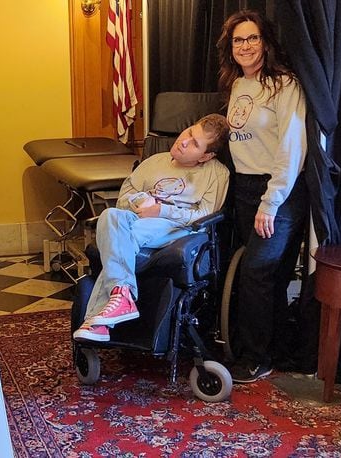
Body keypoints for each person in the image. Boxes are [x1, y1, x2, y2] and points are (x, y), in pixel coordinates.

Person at [73, 114, 231, 342]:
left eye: (195, 143)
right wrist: (140, 201)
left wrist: (160, 211)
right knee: (109, 215)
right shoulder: (154, 162)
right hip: (138, 217)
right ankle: (122, 295)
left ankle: (99, 318)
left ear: (206, 156)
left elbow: (203, 215)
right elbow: (124, 197)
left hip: (175, 228)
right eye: (188, 132)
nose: (184, 141)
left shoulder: (216, 174)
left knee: (123, 238)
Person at [217, 10, 309, 383]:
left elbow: (291, 149)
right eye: (238, 40)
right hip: (244, 187)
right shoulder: (238, 84)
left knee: (259, 271)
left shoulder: (285, 85)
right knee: (260, 276)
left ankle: (257, 357)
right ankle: (264, 347)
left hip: (279, 191)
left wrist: (271, 201)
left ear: (266, 42)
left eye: (252, 38)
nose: (246, 46)